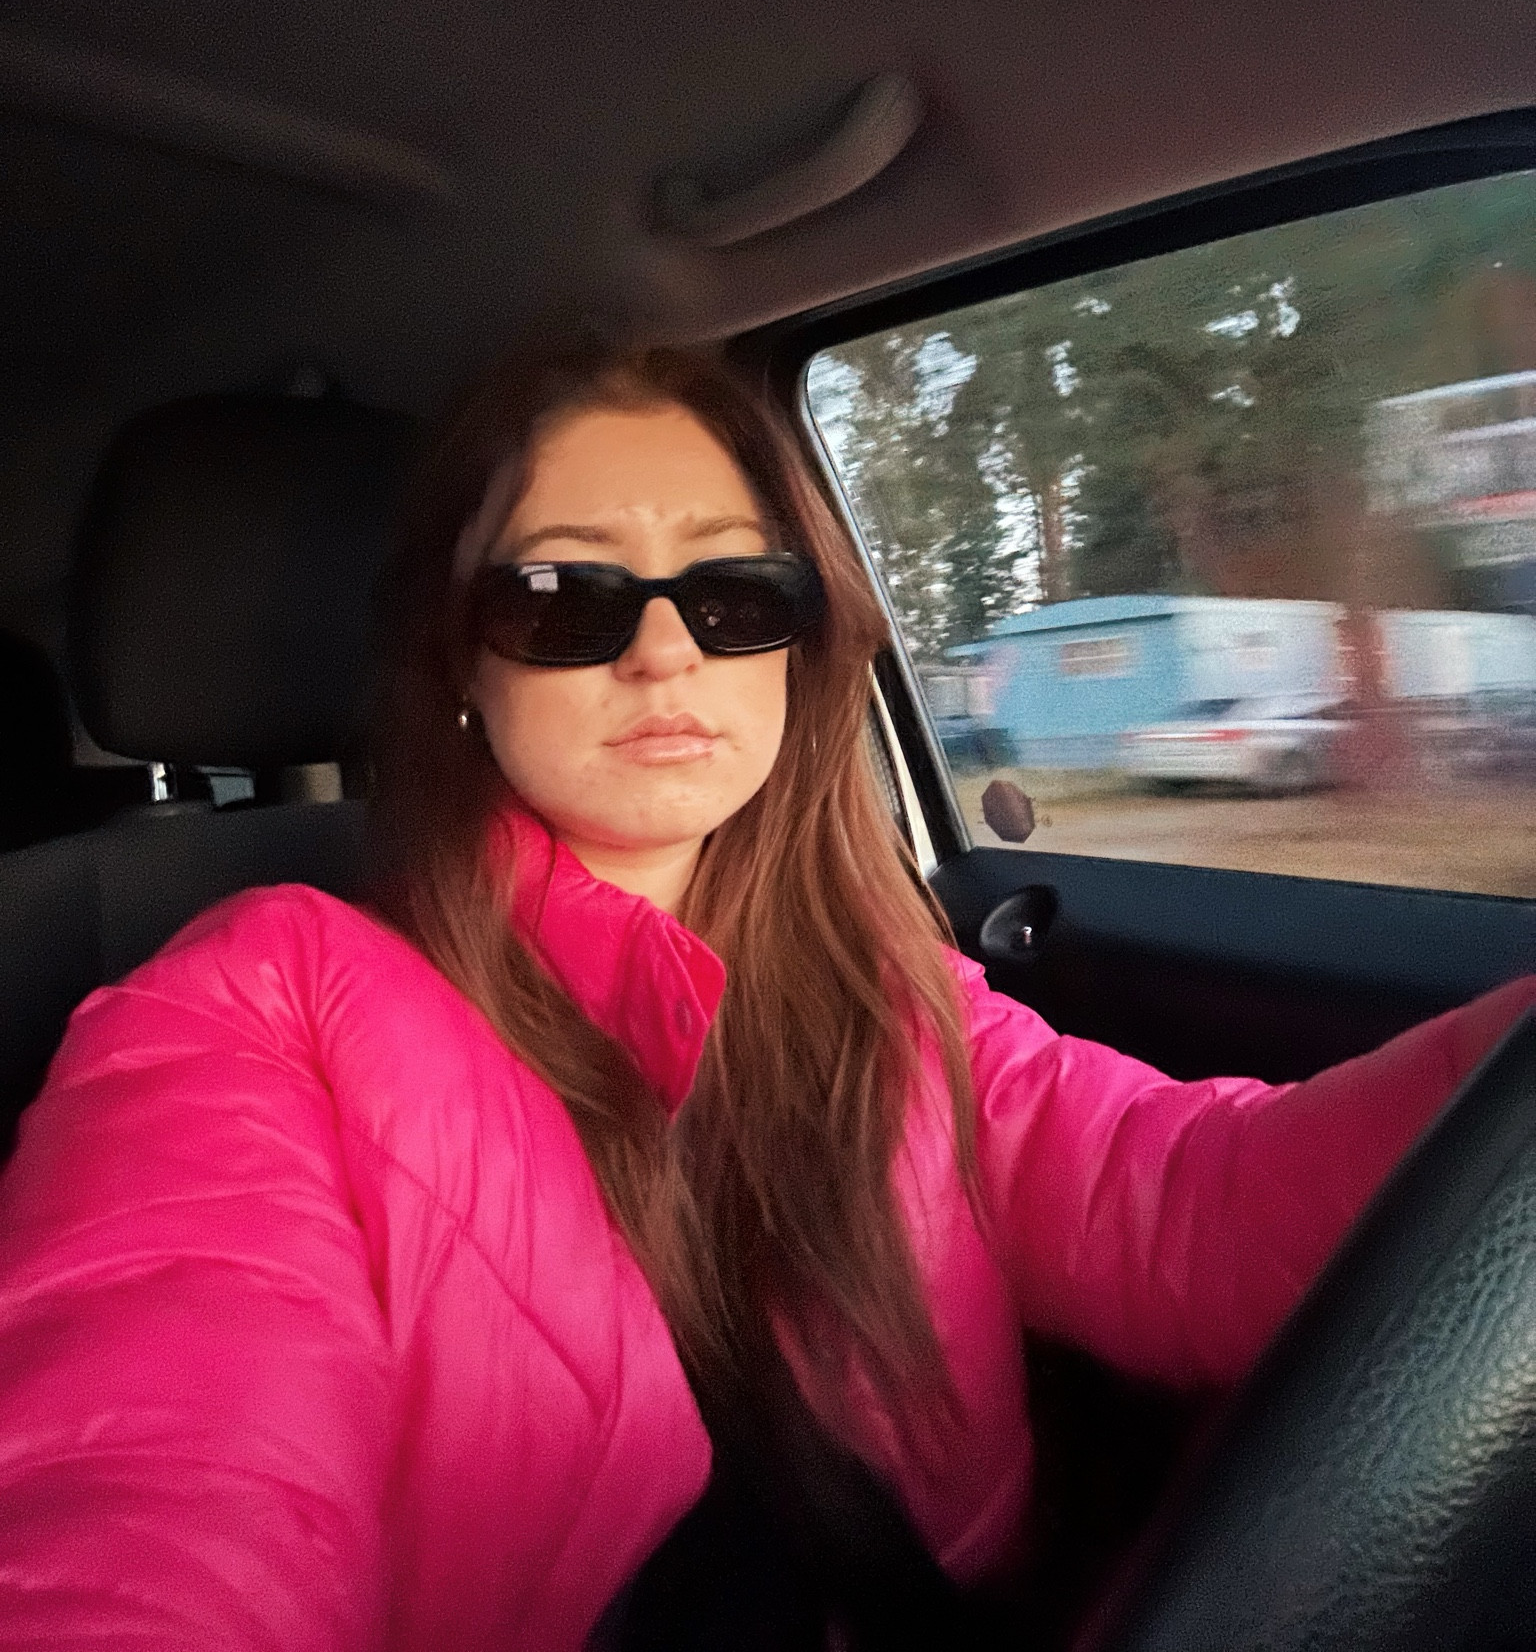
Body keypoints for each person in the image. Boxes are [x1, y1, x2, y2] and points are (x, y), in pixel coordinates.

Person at [0, 346, 1528, 1651]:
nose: (667, 650)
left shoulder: (883, 985)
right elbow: (149, 1493)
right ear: (460, 662)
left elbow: (1196, 1203)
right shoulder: (245, 1019)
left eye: (736, 592)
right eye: (565, 595)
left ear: (800, 643)